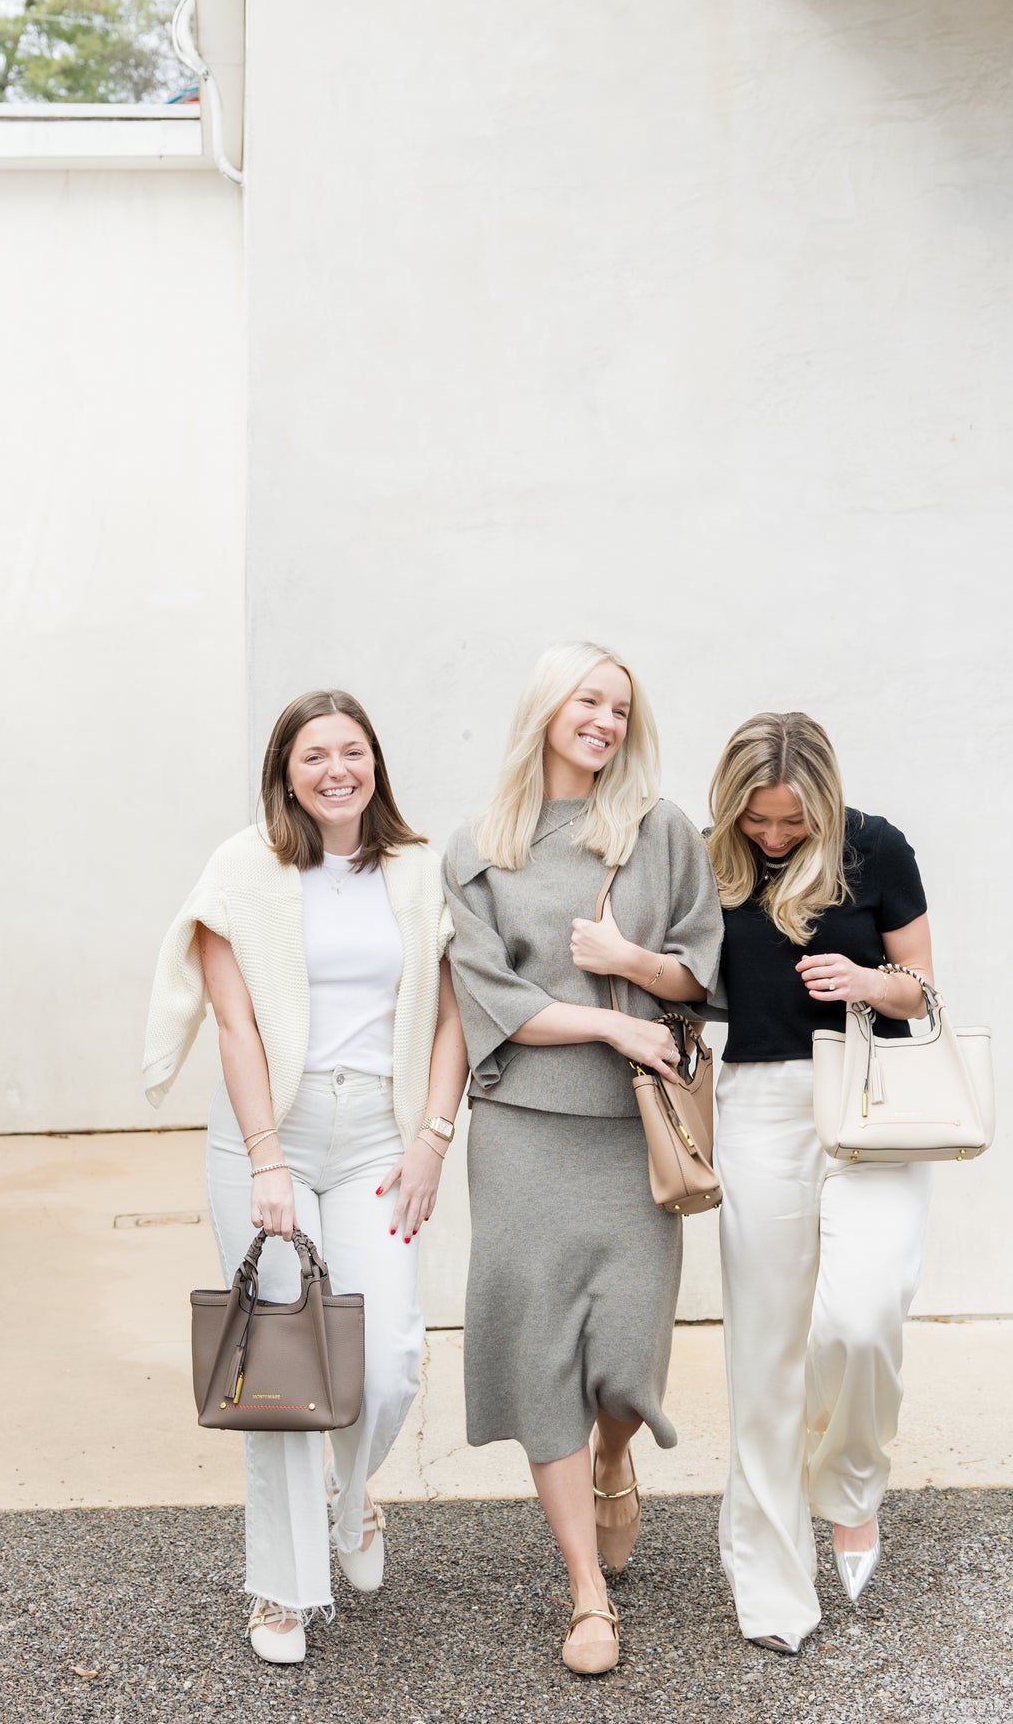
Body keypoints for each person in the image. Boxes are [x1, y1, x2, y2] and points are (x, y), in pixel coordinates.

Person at [143, 689, 467, 1664]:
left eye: (353, 751)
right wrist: (266, 1160)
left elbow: (450, 1013)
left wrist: (432, 1139)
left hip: (378, 1128)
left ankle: (351, 1491)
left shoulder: (414, 869)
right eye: (314, 754)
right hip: (266, 1133)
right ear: (284, 770)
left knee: (384, 1360)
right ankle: (281, 1593)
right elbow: (235, 1024)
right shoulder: (242, 867)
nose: (337, 769)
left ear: (375, 762)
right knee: (283, 1369)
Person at [442, 641, 724, 1677]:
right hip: (520, 1131)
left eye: (619, 707)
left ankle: (612, 1454)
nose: (604, 719)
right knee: (539, 1353)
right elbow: (489, 1000)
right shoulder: (476, 847)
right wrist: (610, 1024)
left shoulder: (660, 835)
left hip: (630, 1135)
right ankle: (584, 1591)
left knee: (621, 1354)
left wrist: (627, 965)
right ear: (546, 706)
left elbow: (701, 972)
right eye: (587, 699)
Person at [706, 711, 934, 1655]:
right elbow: (689, 984)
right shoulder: (703, 857)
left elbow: (921, 987)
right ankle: (767, 1577)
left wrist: (867, 979)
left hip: (870, 1093)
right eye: (756, 820)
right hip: (757, 1104)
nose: (771, 837)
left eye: (790, 822)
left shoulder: (875, 847)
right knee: (764, 1352)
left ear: (825, 800)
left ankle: (845, 1483)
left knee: (862, 1314)